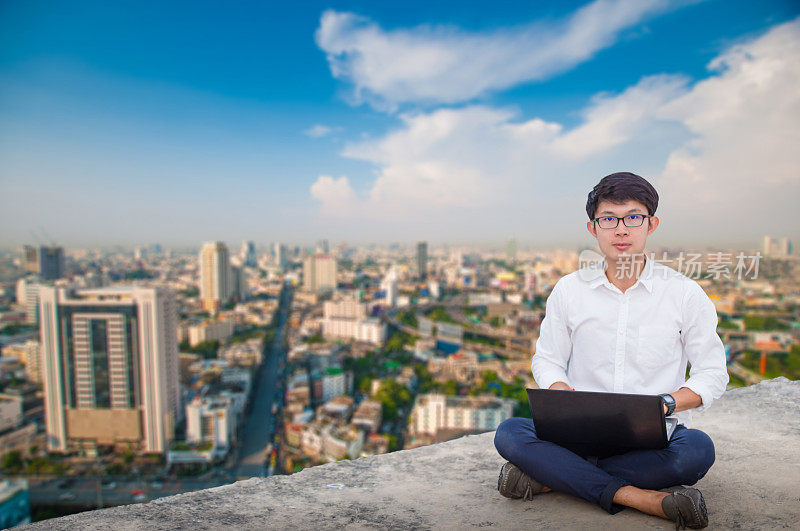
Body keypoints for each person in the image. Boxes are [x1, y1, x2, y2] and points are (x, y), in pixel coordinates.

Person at [494, 172, 728, 529]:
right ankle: (646, 499)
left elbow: (712, 373)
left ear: (652, 224)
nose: (621, 229)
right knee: (509, 432)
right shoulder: (570, 290)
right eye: (609, 219)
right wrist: (559, 392)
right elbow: (548, 359)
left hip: (653, 434)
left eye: (633, 217)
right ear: (593, 228)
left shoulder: (684, 294)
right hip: (579, 431)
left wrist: (665, 403)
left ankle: (548, 478)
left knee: (697, 451)